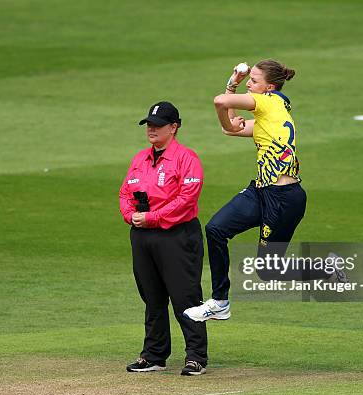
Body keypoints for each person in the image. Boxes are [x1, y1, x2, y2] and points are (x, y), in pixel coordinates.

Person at [184, 59, 347, 322]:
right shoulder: (272, 110)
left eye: (254, 80)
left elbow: (220, 102)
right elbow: (228, 129)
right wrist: (231, 111)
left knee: (269, 270)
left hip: (284, 199)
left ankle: (327, 268)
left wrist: (233, 83)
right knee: (216, 229)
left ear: (269, 87)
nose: (249, 83)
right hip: (261, 191)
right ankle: (220, 302)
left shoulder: (269, 102)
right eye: (249, 80)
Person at [119, 101, 208, 375]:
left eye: (158, 125)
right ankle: (155, 355)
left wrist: (152, 217)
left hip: (177, 235)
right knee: (152, 297)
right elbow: (125, 193)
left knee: (185, 296)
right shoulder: (140, 159)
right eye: (149, 124)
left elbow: (186, 199)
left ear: (174, 127)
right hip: (143, 235)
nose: (152, 129)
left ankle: (196, 357)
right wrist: (130, 215)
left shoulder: (186, 158)